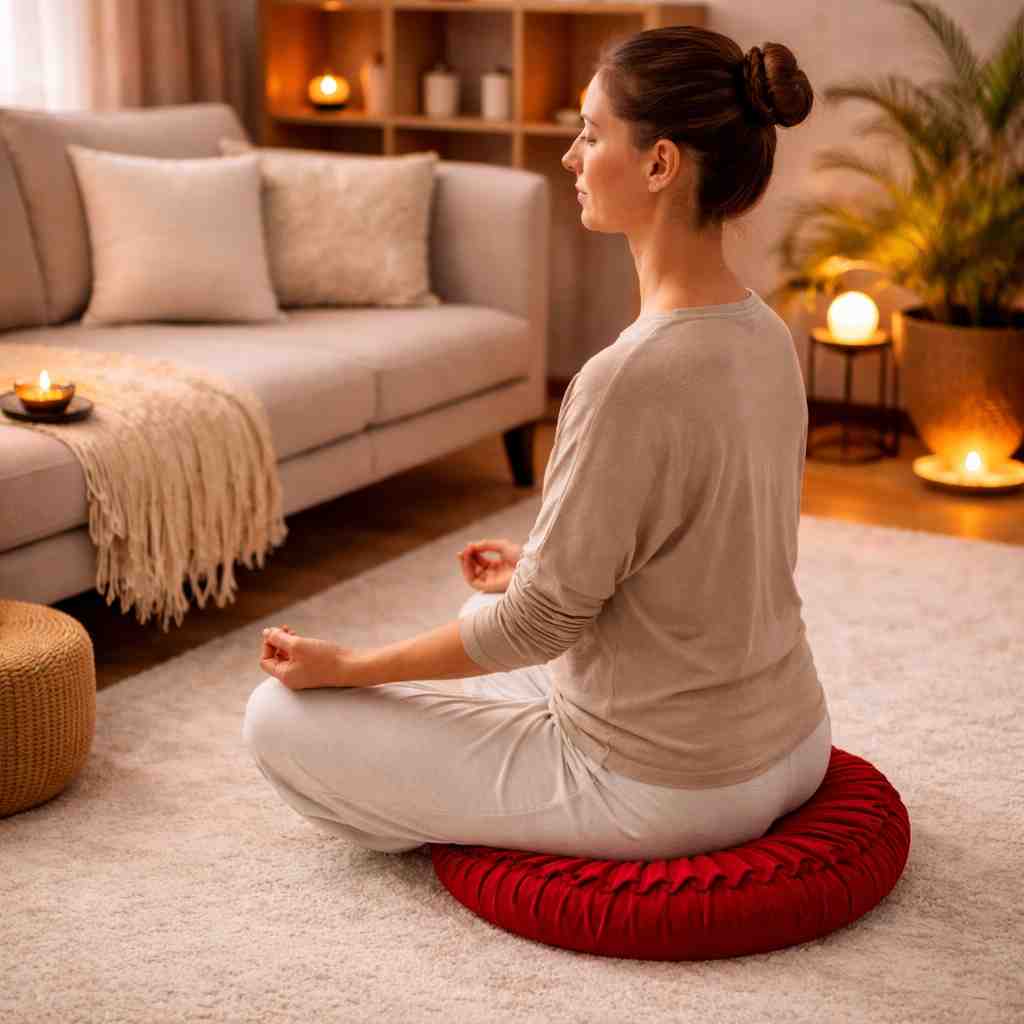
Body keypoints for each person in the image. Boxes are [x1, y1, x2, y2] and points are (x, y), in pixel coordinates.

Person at [242, 26, 832, 861]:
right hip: (794, 740)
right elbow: (722, 547)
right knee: (475, 612)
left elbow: (535, 629)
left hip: (668, 790)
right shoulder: (768, 334)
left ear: (661, 164)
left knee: (279, 718)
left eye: (591, 134)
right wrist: (543, 562)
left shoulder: (622, 377)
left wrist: (352, 666)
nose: (571, 157)